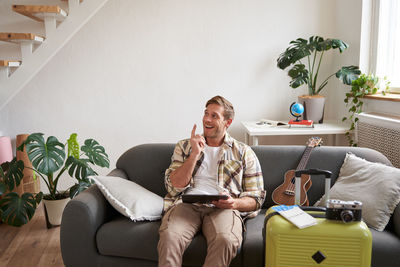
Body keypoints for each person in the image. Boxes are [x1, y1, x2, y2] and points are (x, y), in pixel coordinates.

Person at [157, 95, 265, 267]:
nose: (207, 119)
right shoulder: (184, 147)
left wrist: (233, 203)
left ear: (227, 122)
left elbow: (256, 198)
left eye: (214, 116)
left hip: (223, 209)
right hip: (186, 204)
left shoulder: (244, 152)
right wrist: (194, 154)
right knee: (170, 236)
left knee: (226, 239)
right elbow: (174, 187)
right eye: (206, 113)